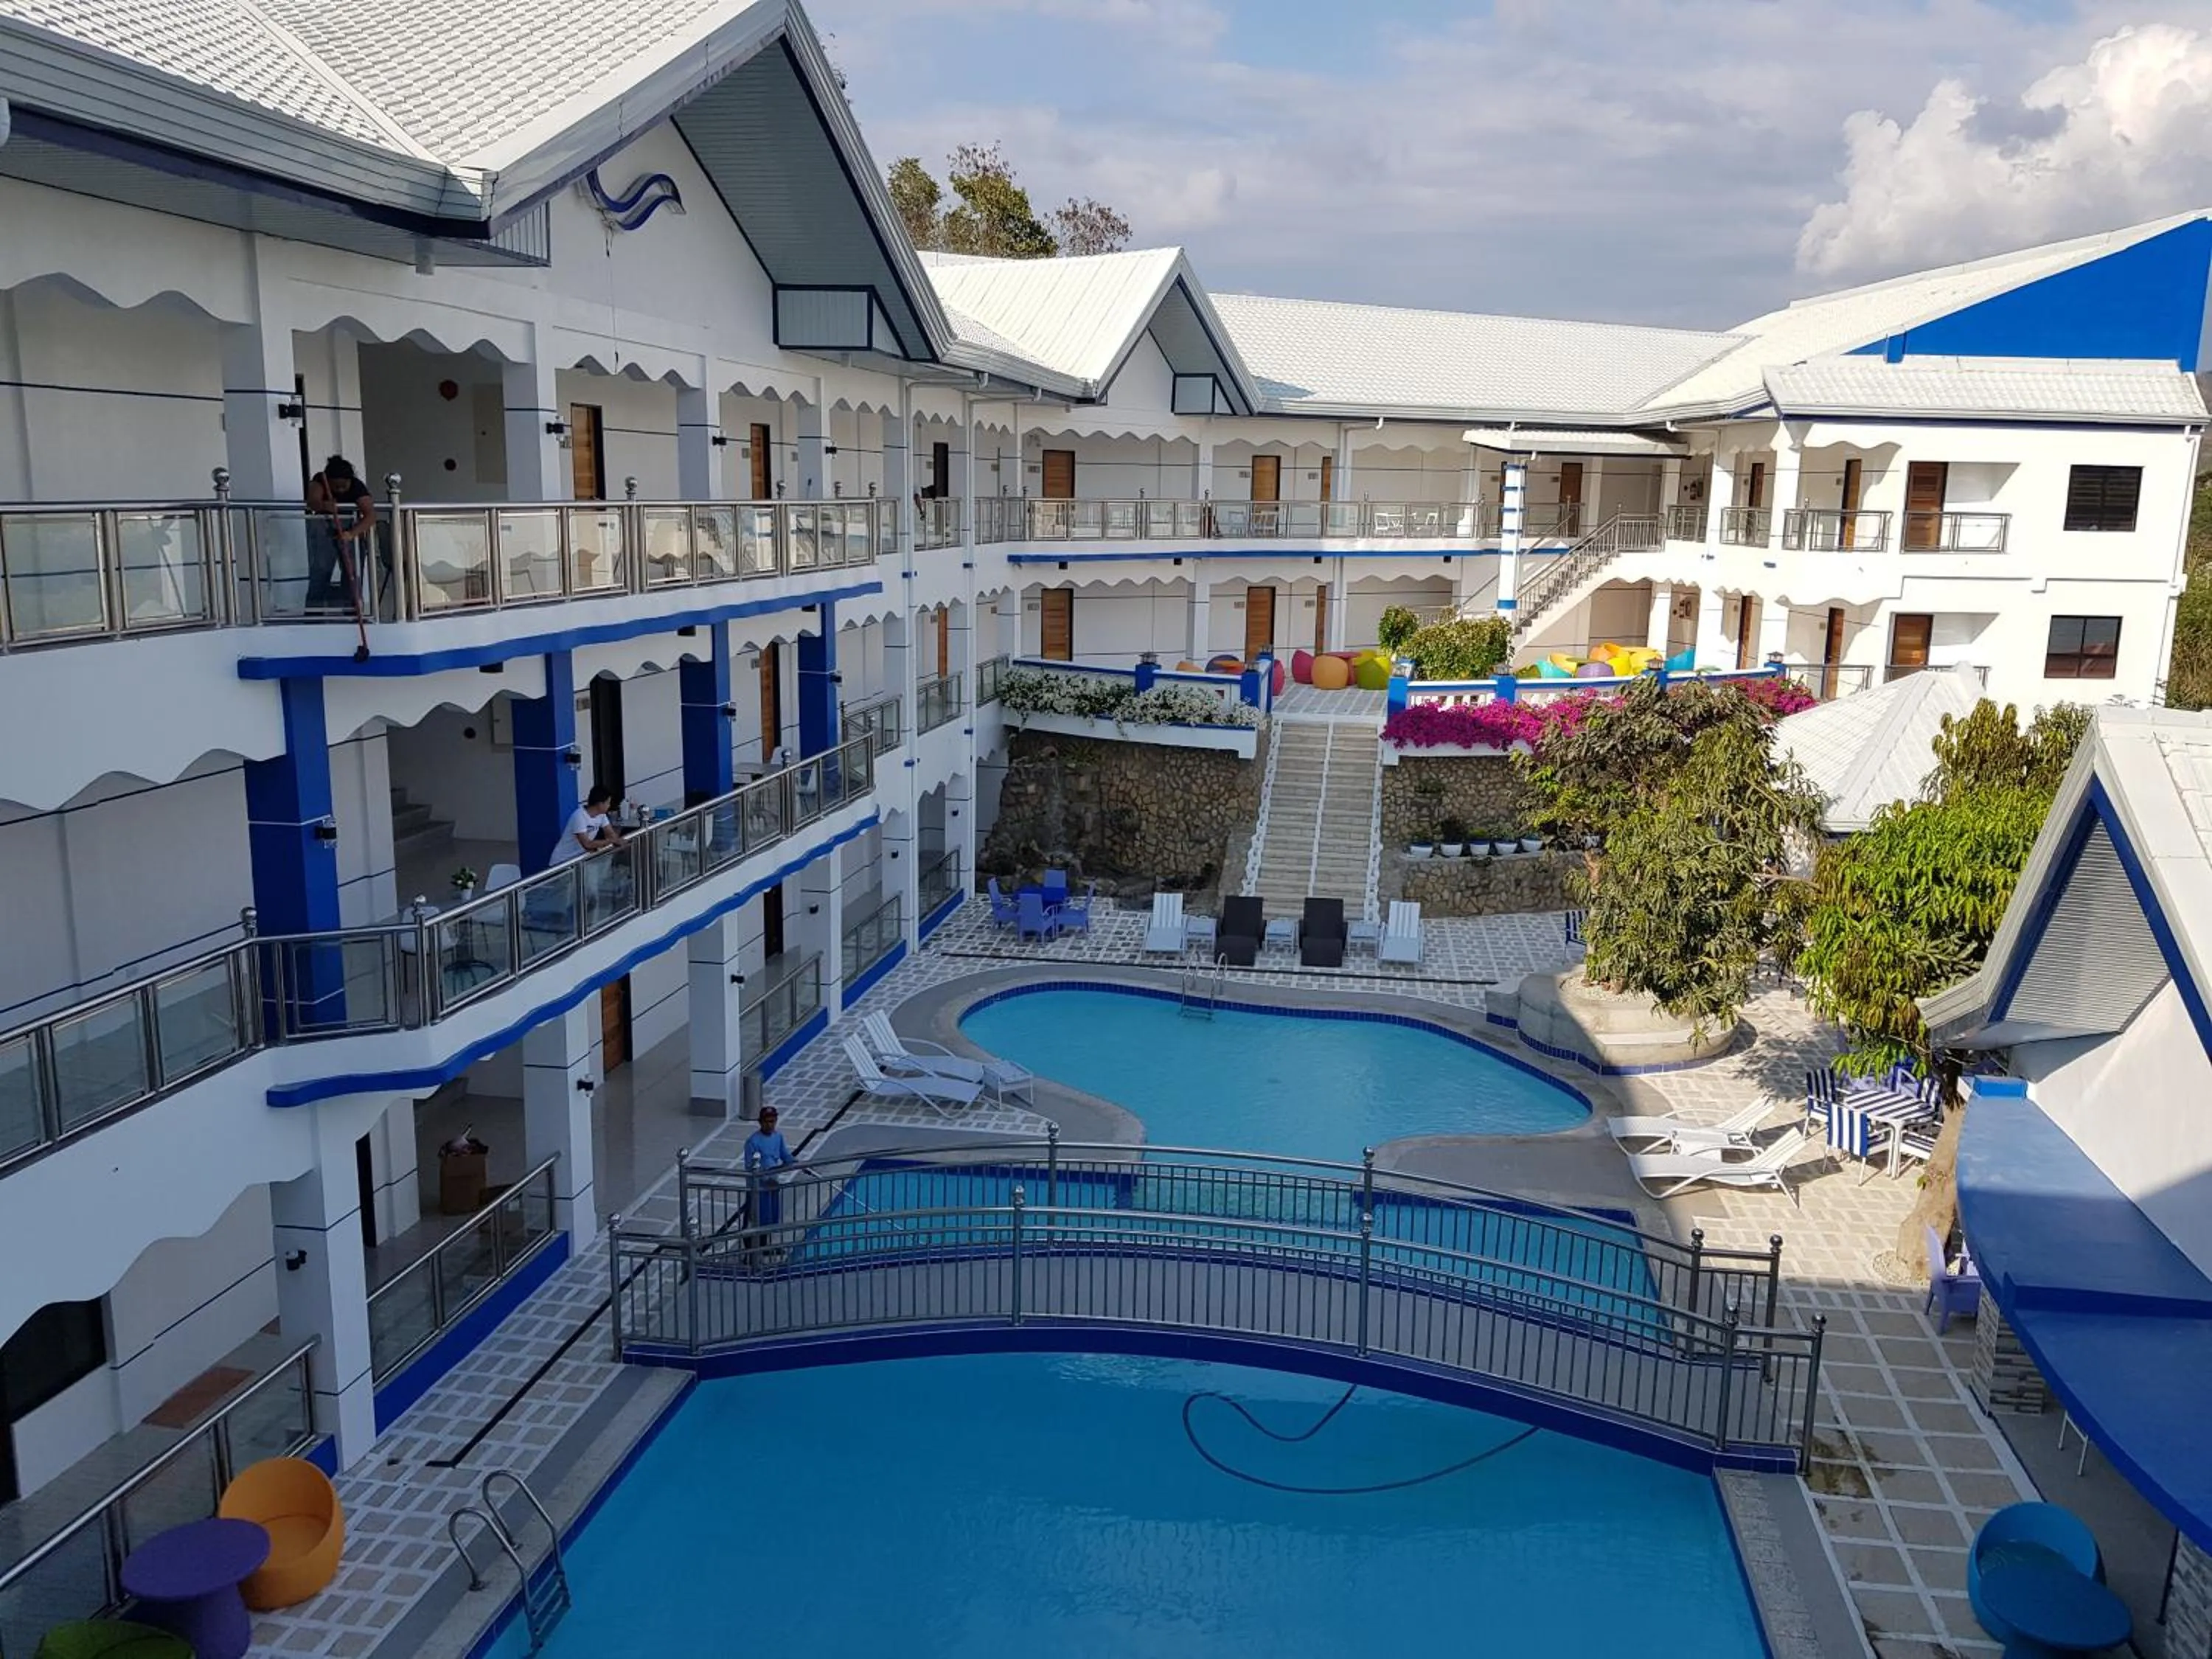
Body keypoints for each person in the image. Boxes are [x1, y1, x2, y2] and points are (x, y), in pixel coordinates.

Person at [304, 456, 377, 613]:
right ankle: (313, 615)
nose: (341, 490)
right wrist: (324, 505)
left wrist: (351, 534)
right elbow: (312, 501)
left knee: (353, 575)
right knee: (320, 572)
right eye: (337, 486)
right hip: (323, 529)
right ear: (328, 481)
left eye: (344, 486)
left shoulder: (357, 486)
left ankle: (352, 613)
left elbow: (370, 515)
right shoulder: (319, 480)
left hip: (350, 529)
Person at [743, 1106, 796, 1264]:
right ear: (760, 1122)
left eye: (773, 1121)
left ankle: (764, 1247)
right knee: (755, 1220)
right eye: (767, 1122)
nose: (770, 1125)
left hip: (773, 1186)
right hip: (758, 1188)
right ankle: (750, 1253)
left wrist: (795, 1163)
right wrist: (765, 1178)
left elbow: (785, 1155)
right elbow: (750, 1166)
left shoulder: (778, 1137)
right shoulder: (753, 1142)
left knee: (769, 1219)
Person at [552, 785, 624, 866]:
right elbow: (587, 844)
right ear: (600, 804)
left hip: (578, 860)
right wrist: (611, 841)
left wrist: (618, 840)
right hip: (563, 861)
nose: (609, 806)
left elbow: (610, 834)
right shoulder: (579, 816)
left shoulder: (601, 815)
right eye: (608, 803)